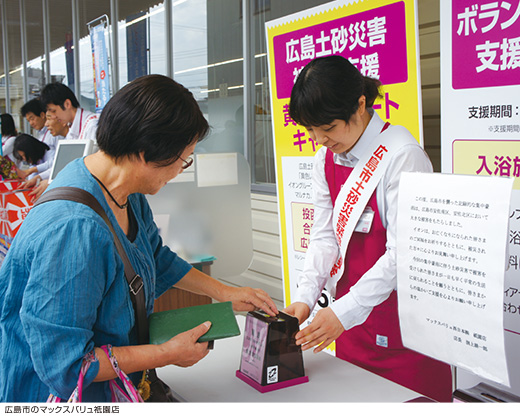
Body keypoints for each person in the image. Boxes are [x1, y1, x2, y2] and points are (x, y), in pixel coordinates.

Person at [0, 74, 278, 402]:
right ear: (146, 152)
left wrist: (226, 292)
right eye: (182, 160)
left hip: (117, 387)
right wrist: (165, 353)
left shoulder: (120, 190)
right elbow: (69, 366)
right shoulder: (73, 231)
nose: (180, 170)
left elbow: (156, 257)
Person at [284, 56, 451, 401]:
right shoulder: (325, 158)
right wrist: (304, 298)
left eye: (327, 128)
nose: (319, 140)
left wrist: (344, 312)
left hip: (401, 328)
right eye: (310, 130)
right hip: (350, 324)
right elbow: (324, 235)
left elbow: (404, 253)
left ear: (360, 105)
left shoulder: (403, 155)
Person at [22, 112, 69, 201]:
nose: (46, 124)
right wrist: (39, 177)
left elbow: (56, 165)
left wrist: (49, 182)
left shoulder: (57, 138)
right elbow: (57, 165)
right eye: (28, 120)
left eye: (49, 119)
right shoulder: (46, 136)